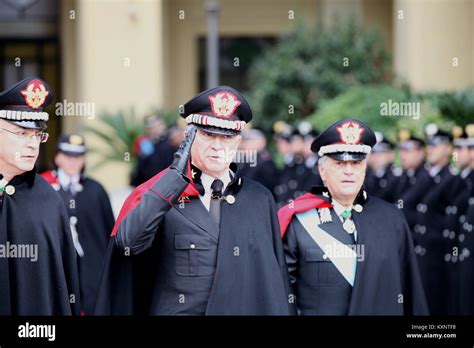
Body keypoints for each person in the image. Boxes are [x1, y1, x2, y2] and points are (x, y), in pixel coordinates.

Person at [95, 86, 292, 315]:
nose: (217, 146)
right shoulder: (165, 193)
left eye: (227, 137)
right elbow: (129, 242)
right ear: (189, 138)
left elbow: (273, 284)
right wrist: (174, 177)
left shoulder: (258, 199)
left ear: (238, 142)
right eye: (208, 134)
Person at [278, 118, 428, 315]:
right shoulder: (298, 221)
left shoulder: (391, 220)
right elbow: (281, 297)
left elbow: (411, 295)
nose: (349, 171)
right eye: (339, 163)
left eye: (356, 163)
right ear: (322, 170)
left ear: (364, 168)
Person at [0, 77, 80, 315]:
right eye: (22, 133)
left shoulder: (48, 199)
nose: (33, 144)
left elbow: (64, 282)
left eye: (37, 135)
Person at [41, 134, 115, 315]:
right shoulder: (43, 188)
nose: (73, 161)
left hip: (92, 274)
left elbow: (110, 233)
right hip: (56, 272)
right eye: (68, 156)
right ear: (57, 157)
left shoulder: (96, 190)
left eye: (78, 156)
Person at [415, 124, 464, 315]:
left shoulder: (452, 177)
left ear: (448, 148)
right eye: (430, 145)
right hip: (425, 253)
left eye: (436, 145)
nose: (431, 149)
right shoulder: (429, 176)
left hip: (439, 254)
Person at [395, 130, 431, 232]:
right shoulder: (405, 175)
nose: (402, 155)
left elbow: (405, 205)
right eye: (401, 150)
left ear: (421, 152)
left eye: (407, 150)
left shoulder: (425, 176)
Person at [131, 115, 175, 186]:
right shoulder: (148, 144)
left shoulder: (171, 141)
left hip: (168, 182)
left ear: (162, 125)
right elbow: (141, 168)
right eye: (151, 128)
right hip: (151, 184)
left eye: (156, 126)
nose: (154, 129)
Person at [365, 132, 401, 203]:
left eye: (381, 153)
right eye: (373, 152)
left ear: (390, 155)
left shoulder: (397, 175)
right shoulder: (363, 175)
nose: (376, 157)